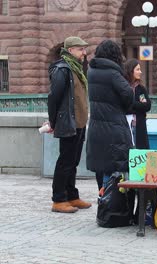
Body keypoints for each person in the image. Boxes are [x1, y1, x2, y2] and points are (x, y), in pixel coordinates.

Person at [47, 36, 91, 213]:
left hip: (79, 123)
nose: (84, 53)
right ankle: (58, 199)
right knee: (65, 161)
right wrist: (53, 122)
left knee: (72, 161)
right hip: (68, 122)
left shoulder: (77, 68)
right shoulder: (62, 69)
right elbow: (53, 97)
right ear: (71, 50)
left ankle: (72, 196)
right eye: (81, 49)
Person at [86, 40, 134, 189]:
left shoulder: (91, 71)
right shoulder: (113, 73)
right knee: (112, 168)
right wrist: (124, 109)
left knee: (101, 166)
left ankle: (103, 200)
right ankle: (110, 202)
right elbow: (128, 94)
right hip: (113, 128)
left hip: (96, 127)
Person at [124, 58, 152, 149]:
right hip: (126, 126)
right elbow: (124, 107)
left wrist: (132, 104)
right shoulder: (123, 87)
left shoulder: (141, 89)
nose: (140, 72)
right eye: (137, 69)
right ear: (130, 71)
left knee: (140, 154)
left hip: (139, 126)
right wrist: (138, 105)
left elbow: (147, 106)